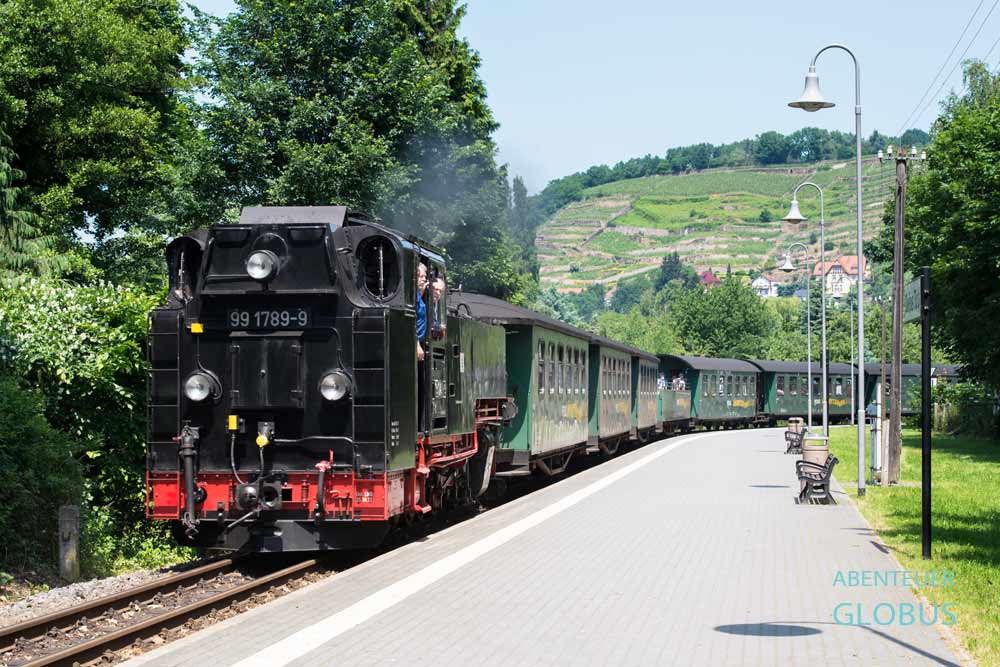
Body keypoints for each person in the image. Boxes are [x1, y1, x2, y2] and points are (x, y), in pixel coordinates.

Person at [416, 262, 428, 361]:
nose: (424, 279)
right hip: (414, 344)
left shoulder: (417, 295)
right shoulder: (412, 297)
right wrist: (417, 345)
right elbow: (410, 321)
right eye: (421, 276)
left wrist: (421, 292)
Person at [430, 274, 446, 339]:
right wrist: (439, 327)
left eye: (440, 291)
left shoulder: (434, 306)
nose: (438, 293)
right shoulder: (424, 304)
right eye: (436, 289)